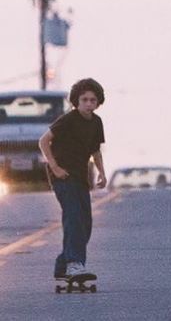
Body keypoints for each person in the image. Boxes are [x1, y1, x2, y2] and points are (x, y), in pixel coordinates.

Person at [39, 78, 107, 278]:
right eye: (84, 99)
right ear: (76, 101)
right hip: (62, 175)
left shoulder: (96, 122)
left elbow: (96, 150)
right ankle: (74, 264)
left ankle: (62, 265)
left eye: (92, 100)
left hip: (79, 176)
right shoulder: (68, 119)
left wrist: (102, 172)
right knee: (74, 217)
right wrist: (55, 167)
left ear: (98, 102)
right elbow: (43, 141)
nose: (88, 103)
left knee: (85, 223)